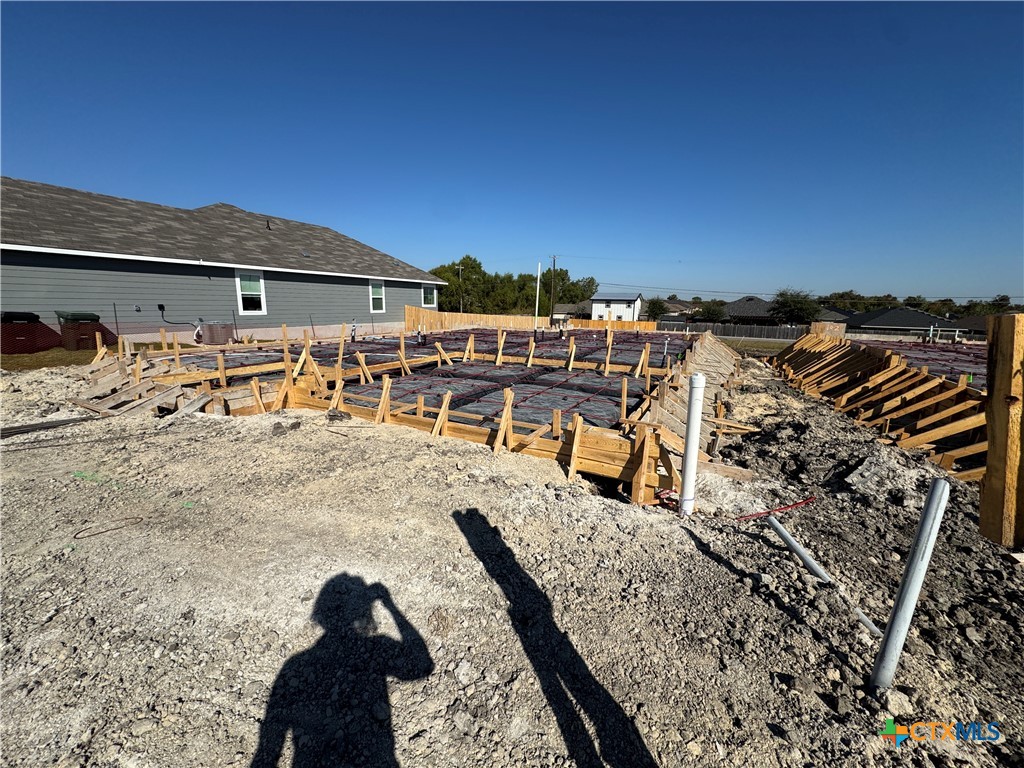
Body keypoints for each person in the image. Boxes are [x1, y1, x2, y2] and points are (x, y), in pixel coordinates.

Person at [251, 574, 433, 767]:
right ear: (367, 615)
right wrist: (391, 607)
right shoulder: (378, 648)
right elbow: (422, 666)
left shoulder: (296, 665)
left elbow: (269, 745)